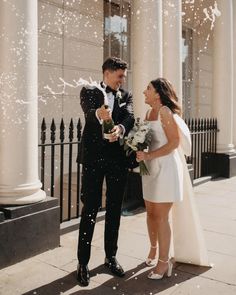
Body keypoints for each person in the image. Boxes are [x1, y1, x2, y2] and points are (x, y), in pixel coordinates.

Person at [136, 78, 209, 280]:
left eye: (148, 89)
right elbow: (144, 139)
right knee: (150, 214)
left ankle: (163, 262)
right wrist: (138, 148)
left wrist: (149, 155)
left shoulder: (164, 112)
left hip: (166, 168)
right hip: (150, 168)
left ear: (158, 93)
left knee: (161, 217)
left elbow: (174, 143)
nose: (144, 92)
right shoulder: (148, 112)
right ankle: (153, 249)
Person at [77, 57, 135, 286]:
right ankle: (83, 263)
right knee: (90, 209)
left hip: (117, 161)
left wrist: (120, 129)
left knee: (114, 209)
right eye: (120, 75)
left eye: (124, 75)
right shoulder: (89, 91)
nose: (123, 80)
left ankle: (111, 257)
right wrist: (98, 116)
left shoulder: (126, 95)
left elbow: (129, 116)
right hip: (93, 160)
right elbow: (89, 112)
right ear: (107, 73)